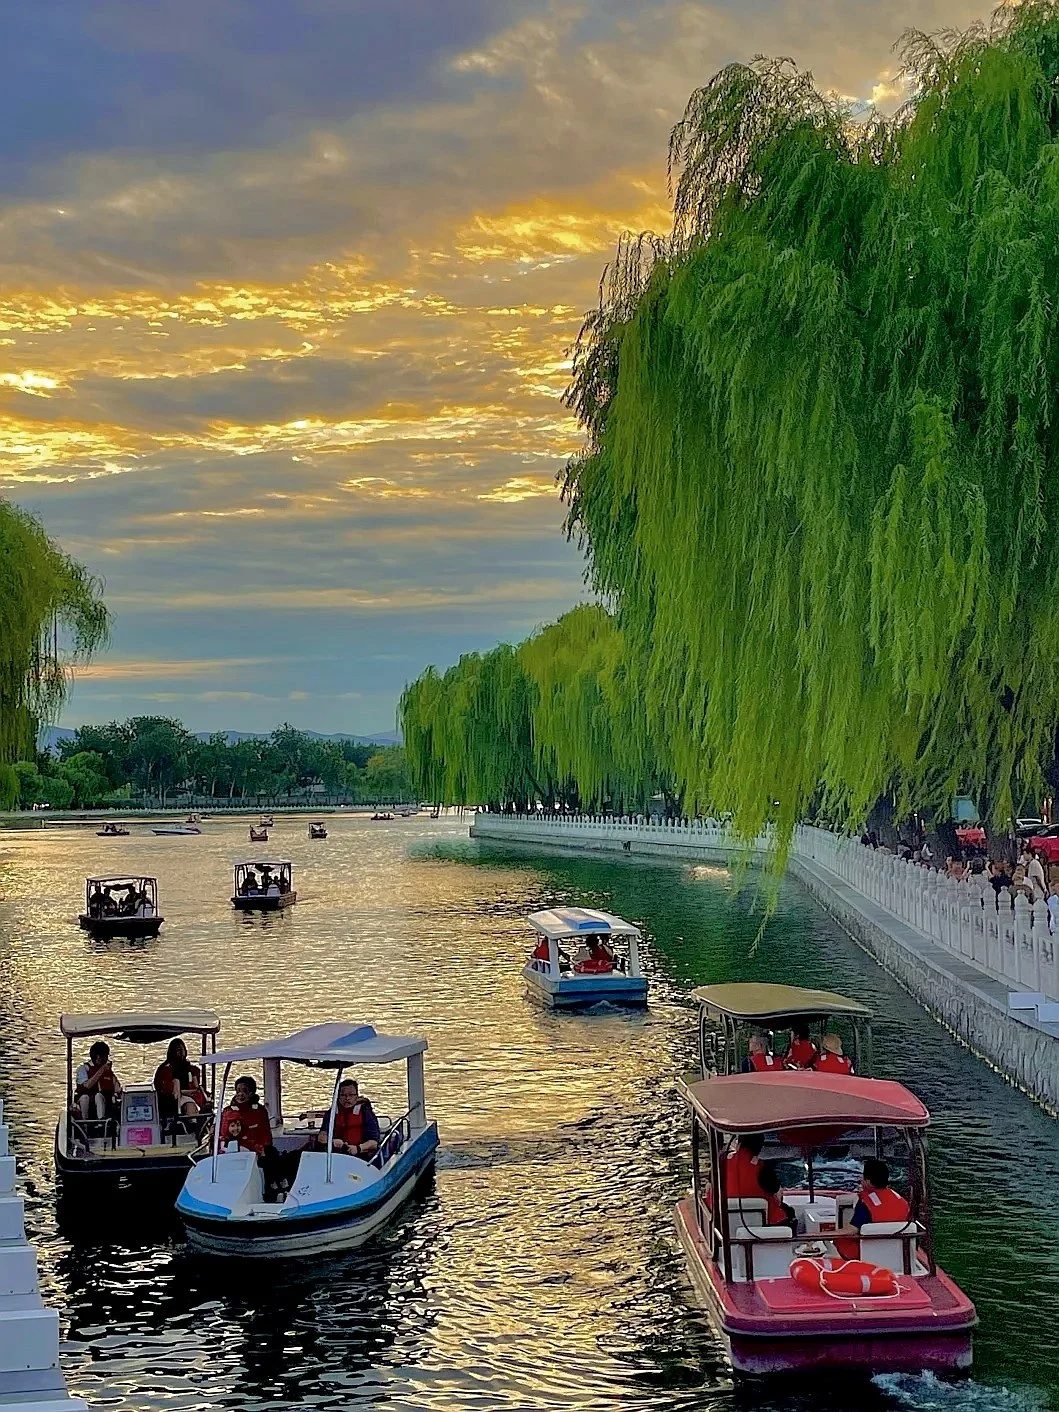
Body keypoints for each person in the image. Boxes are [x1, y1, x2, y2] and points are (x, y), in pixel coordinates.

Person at [835, 1158, 910, 1259]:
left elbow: (851, 1230)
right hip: (898, 1254)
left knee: (840, 1241)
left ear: (868, 1182)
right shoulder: (902, 1201)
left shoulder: (865, 1204)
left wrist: (818, 1235)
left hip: (868, 1255)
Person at [314, 1078, 380, 1160]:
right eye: (343, 1095)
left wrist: (358, 1148)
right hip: (335, 1155)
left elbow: (374, 1143)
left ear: (356, 1096)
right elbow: (322, 1137)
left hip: (360, 1156)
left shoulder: (365, 1112)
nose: (347, 1098)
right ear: (338, 1097)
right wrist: (332, 1141)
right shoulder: (332, 1113)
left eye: (351, 1095)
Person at [154, 1038, 210, 1122]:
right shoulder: (166, 1069)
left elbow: (196, 1085)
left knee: (205, 1103)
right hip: (170, 1100)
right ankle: (193, 1124)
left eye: (182, 1049)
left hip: (191, 1095)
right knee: (189, 1104)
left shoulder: (191, 1068)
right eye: (178, 1050)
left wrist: (197, 1091)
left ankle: (202, 1122)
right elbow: (170, 1092)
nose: (181, 1052)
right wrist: (184, 1092)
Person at [75, 1041, 122, 1122]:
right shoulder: (83, 1069)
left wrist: (110, 1073)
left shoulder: (107, 1071)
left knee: (99, 1096)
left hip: (104, 1100)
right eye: (104, 1056)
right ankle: (84, 1123)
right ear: (97, 1057)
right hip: (85, 1100)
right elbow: (87, 1086)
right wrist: (101, 1070)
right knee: (85, 1098)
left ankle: (101, 1121)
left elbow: (117, 1089)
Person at [757, 1161, 796, 1230]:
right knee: (790, 1211)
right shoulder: (763, 1168)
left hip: (750, 1219)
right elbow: (774, 1189)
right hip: (774, 1219)